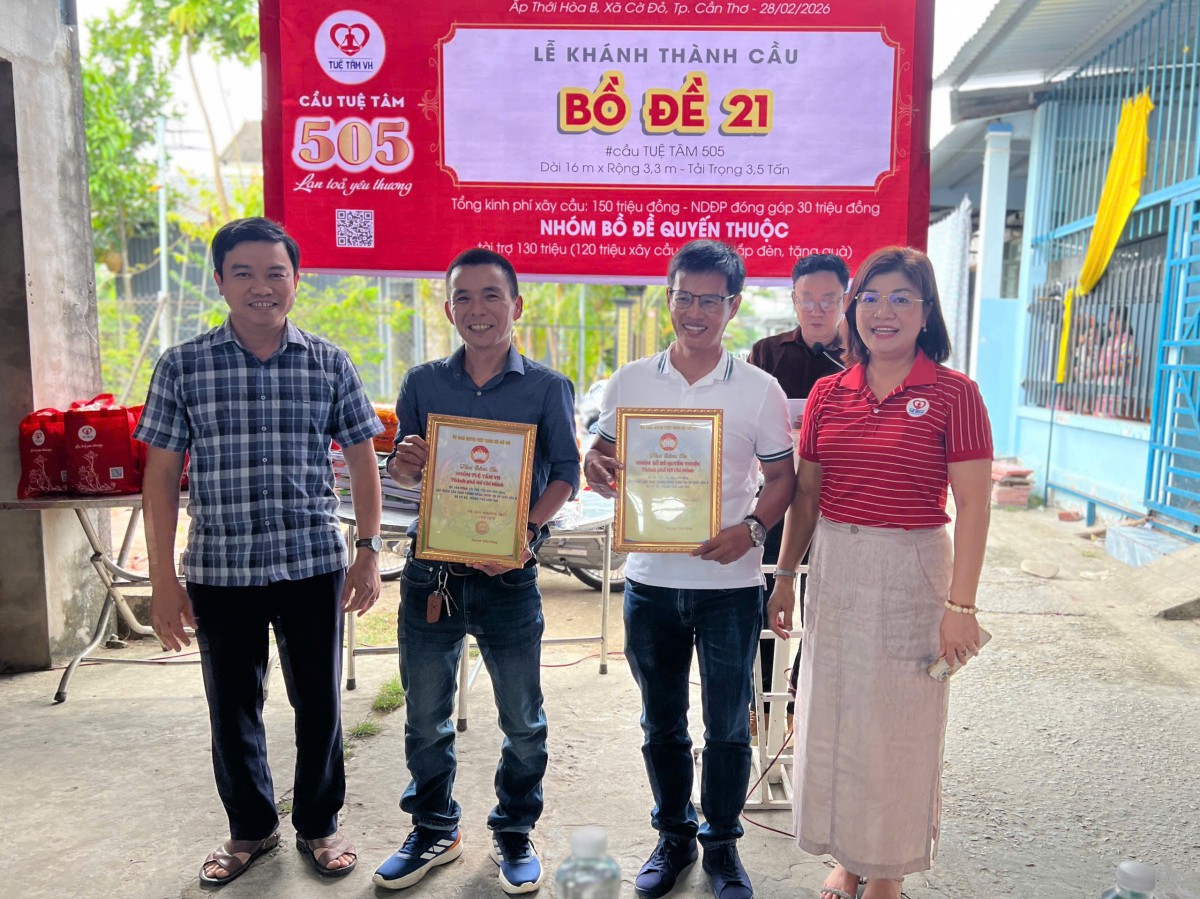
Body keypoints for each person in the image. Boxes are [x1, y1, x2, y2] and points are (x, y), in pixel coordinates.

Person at [136, 217, 384, 885]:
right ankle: (250, 827)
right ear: (220, 281)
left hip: (311, 562)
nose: (261, 287)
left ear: (296, 281)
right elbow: (160, 475)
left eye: (276, 272)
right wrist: (162, 580)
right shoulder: (183, 365)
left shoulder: (328, 361)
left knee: (320, 702)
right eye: (243, 273)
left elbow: (363, 459)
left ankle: (320, 823)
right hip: (221, 568)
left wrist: (367, 549)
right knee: (232, 705)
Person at [766, 247, 992, 899]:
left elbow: (974, 505)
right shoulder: (829, 394)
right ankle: (847, 855)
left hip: (912, 568)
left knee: (898, 723)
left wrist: (961, 607)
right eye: (870, 298)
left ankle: (887, 866)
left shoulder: (955, 393)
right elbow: (808, 496)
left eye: (901, 298)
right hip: (836, 564)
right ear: (853, 309)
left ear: (926, 312)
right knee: (833, 712)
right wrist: (785, 575)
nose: (883, 311)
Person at [585, 240, 796, 899]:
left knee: (728, 727)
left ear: (733, 305)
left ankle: (723, 845)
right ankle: (673, 836)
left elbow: (783, 479)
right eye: (684, 297)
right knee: (662, 722)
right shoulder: (630, 381)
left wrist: (753, 529)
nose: (695, 311)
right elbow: (601, 454)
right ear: (668, 297)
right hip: (649, 581)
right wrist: (598, 465)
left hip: (729, 587)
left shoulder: (760, 391)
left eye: (710, 299)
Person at [373, 248, 579, 894]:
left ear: (516, 305)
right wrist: (403, 464)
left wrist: (525, 534)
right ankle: (434, 826)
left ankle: (515, 830)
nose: (478, 309)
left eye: (492, 295)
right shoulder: (422, 383)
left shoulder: (547, 387)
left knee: (523, 720)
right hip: (431, 575)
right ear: (448, 309)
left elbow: (566, 474)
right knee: (424, 716)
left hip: (509, 577)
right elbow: (404, 472)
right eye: (463, 296)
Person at [746, 253, 851, 738]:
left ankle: (799, 702)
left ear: (845, 301)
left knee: (823, 607)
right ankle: (759, 704)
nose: (817, 309)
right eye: (807, 299)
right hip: (778, 497)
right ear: (793, 299)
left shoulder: (860, 356)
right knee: (770, 595)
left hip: (839, 502)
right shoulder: (767, 354)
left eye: (828, 300)